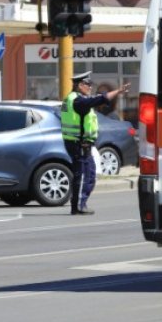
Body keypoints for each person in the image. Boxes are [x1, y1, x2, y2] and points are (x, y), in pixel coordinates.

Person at [61, 71, 129, 215]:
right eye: (88, 84)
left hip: (81, 143)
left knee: (90, 173)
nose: (90, 87)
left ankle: (81, 202)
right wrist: (118, 91)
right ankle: (78, 206)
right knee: (83, 174)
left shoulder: (75, 98)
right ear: (80, 85)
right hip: (78, 143)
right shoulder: (78, 101)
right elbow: (100, 99)